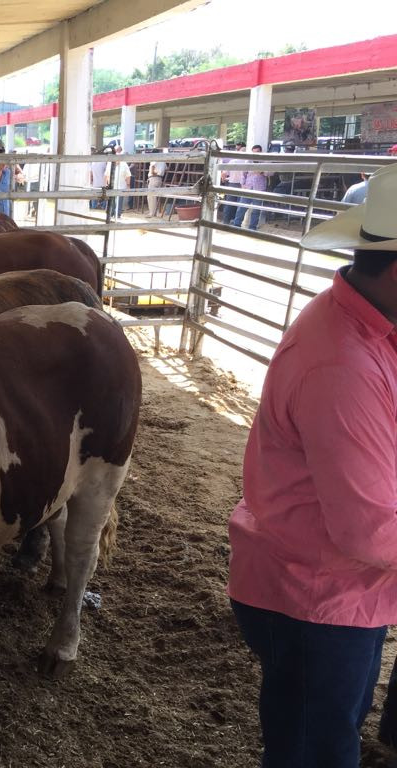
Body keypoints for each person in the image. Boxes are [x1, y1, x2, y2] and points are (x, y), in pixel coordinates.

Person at [228, 162, 397, 768]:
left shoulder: (371, 332)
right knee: (315, 749)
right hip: (318, 594)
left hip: (344, 588)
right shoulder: (344, 366)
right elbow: (369, 529)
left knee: (330, 726)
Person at [230, 144, 266, 230]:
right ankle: (236, 224)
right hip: (248, 187)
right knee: (242, 207)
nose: (255, 154)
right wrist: (243, 185)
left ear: (261, 152)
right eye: (254, 152)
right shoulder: (248, 161)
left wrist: (261, 171)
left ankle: (252, 227)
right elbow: (243, 173)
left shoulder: (265, 161)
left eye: (257, 152)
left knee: (256, 210)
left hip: (259, 188)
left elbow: (270, 173)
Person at [219, 141, 246, 223]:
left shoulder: (232, 161)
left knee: (229, 203)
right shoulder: (247, 162)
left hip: (232, 184)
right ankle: (236, 221)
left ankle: (225, 221)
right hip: (243, 185)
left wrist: (223, 180)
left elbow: (223, 173)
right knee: (240, 204)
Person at [108, 145, 132, 218]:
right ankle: (111, 213)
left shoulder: (124, 164)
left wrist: (128, 185)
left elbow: (128, 175)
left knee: (119, 201)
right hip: (112, 185)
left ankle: (117, 214)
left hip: (121, 186)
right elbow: (106, 174)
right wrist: (106, 183)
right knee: (112, 200)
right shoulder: (110, 163)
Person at [146, 150, 168, 218]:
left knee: (151, 196)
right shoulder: (163, 161)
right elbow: (166, 169)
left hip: (153, 178)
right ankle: (156, 211)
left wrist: (154, 172)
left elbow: (152, 168)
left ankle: (152, 213)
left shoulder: (155, 159)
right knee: (156, 196)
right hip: (160, 178)